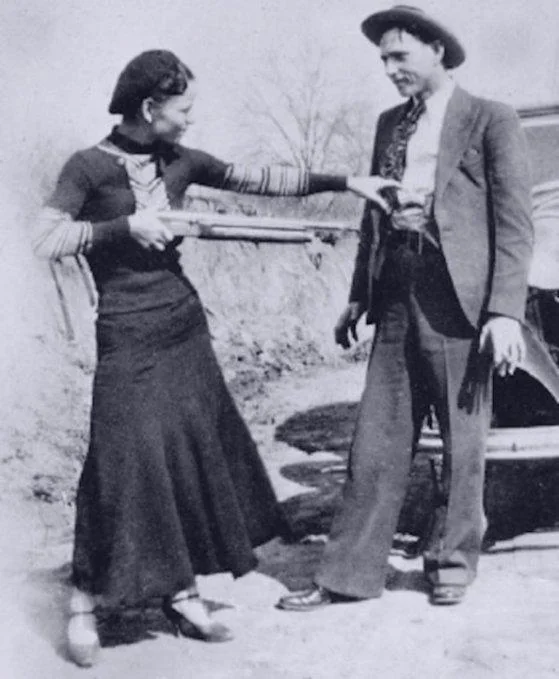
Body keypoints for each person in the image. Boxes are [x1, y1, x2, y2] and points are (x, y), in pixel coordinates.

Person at [32, 49, 397, 666]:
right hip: (126, 331)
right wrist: (122, 230)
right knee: (119, 462)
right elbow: (44, 237)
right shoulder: (88, 167)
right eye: (184, 109)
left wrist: (347, 182)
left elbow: (260, 179)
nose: (191, 120)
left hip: (183, 327)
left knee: (186, 457)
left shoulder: (181, 160)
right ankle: (84, 603)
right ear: (150, 108)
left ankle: (180, 590)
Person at [278, 5, 533, 611]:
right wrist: (357, 296)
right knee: (375, 439)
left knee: (461, 440)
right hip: (397, 291)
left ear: (438, 51)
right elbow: (373, 215)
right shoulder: (390, 124)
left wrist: (503, 311)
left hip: (461, 303)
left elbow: (514, 225)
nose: (390, 70)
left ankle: (451, 562)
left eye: (400, 57)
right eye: (383, 60)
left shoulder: (489, 119)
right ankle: (347, 574)